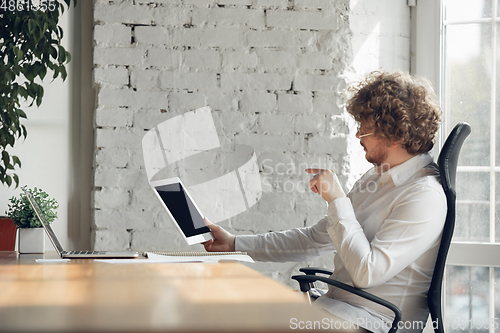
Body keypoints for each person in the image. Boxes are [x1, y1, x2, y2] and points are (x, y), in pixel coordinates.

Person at [202, 71, 446, 333]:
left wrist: (338, 200)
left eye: (366, 130)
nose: (358, 137)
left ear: (395, 136)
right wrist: (234, 244)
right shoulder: (378, 176)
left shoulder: (424, 196)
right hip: (336, 309)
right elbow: (312, 239)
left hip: (372, 323)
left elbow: (367, 273)